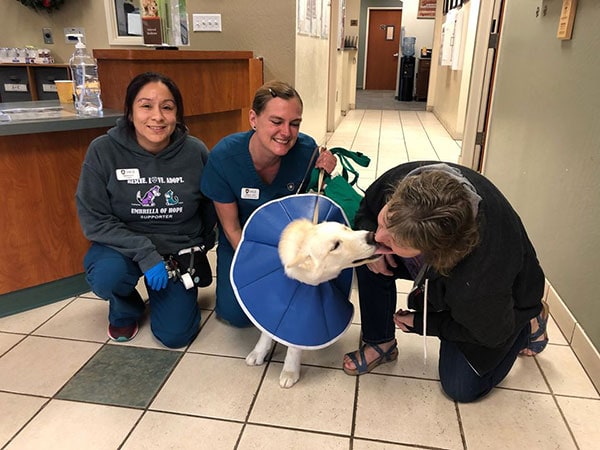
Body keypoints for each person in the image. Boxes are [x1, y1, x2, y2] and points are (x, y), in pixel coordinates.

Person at [342, 161, 549, 403]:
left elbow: (490, 334)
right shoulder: (401, 181)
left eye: (396, 241)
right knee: (369, 255)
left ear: (432, 253)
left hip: (505, 305)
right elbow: (368, 209)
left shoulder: (477, 280)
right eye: (385, 221)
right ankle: (381, 342)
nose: (378, 236)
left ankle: (528, 324)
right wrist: (373, 239)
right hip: (458, 280)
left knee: (461, 387)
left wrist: (420, 322)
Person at [76, 72, 216, 348]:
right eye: (146, 105)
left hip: (176, 249)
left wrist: (201, 246)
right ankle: (125, 308)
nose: (158, 116)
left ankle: (168, 294)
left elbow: (209, 204)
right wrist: (145, 253)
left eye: (167, 107)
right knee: (108, 276)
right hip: (122, 247)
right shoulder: (103, 151)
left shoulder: (195, 151)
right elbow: (94, 219)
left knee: (176, 336)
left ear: (177, 113)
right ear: (130, 112)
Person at [201, 80, 336, 327]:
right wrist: (266, 267)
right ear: (253, 119)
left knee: (306, 308)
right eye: (276, 122)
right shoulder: (225, 157)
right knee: (237, 317)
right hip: (242, 242)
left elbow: (317, 208)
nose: (286, 132)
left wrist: (327, 172)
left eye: (294, 124)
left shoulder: (307, 152)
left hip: (291, 242)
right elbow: (231, 229)